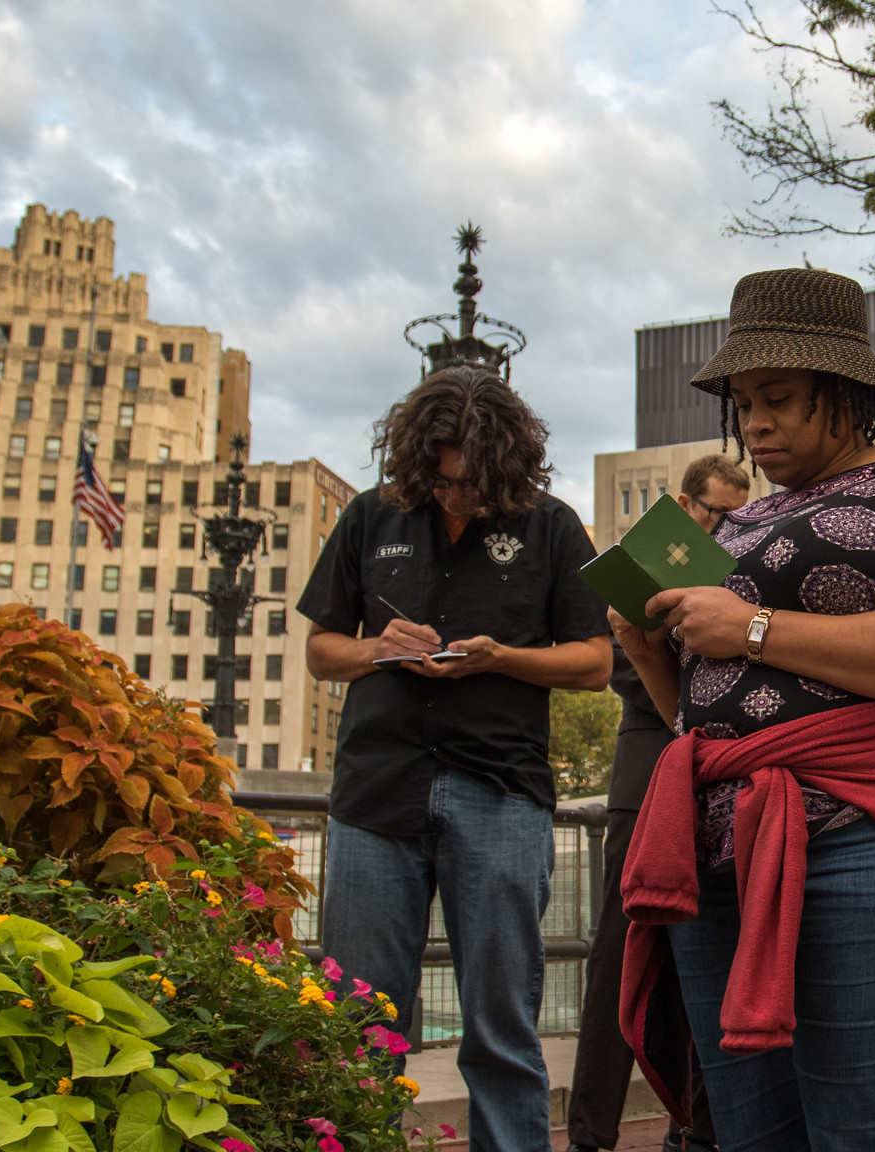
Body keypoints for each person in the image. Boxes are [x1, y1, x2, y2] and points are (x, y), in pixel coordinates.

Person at [611, 267, 875, 1152]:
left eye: (778, 398)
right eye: (742, 403)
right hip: (718, 851)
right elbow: (702, 716)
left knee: (869, 1132)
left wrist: (752, 626)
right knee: (751, 1136)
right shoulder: (734, 524)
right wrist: (648, 650)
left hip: (867, 840)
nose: (755, 423)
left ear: (844, 392)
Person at [297, 365, 612, 1152]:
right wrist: (377, 648)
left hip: (501, 791)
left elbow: (594, 662)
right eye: (441, 481)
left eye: (470, 483)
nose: (456, 495)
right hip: (377, 790)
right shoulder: (370, 516)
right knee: (358, 1021)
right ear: (417, 460)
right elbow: (322, 650)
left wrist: (502, 657)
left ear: (507, 463)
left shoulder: (552, 526)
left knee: (501, 1024)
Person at [567, 456, 751, 1152]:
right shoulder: (643, 562)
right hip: (649, 758)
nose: (725, 525)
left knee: (717, 944)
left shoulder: (746, 560)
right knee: (618, 952)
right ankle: (589, 1135)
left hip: (719, 762)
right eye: (715, 511)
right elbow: (619, 667)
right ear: (684, 504)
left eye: (736, 514)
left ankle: (696, 1129)